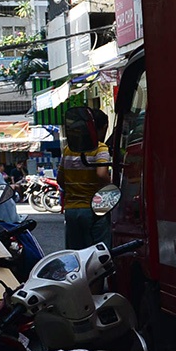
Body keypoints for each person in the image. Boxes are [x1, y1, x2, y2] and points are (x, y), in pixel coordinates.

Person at [58, 106, 114, 249]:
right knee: (98, 255)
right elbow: (101, 174)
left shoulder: (68, 149)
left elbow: (60, 180)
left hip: (71, 210)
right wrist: (113, 189)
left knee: (76, 254)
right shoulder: (100, 148)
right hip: (95, 209)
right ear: (103, 128)